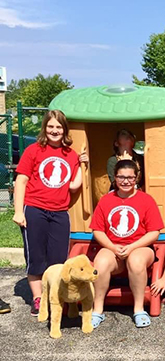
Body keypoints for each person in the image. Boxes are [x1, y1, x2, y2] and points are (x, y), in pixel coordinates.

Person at [12, 110, 88, 317]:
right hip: (35, 209)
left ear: (64, 130)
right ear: (45, 128)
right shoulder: (34, 150)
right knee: (36, 257)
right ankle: (38, 299)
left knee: (57, 260)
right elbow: (21, 180)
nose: (54, 131)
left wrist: (82, 164)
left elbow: (74, 185)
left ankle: (54, 297)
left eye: (59, 127)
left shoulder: (70, 155)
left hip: (60, 213)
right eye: (51, 126)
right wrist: (19, 212)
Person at [89, 160, 164, 328]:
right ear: (114, 178)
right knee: (100, 262)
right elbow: (97, 230)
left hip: (140, 247)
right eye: (121, 177)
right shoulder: (106, 200)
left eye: (130, 177)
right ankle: (97, 310)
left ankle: (138, 309)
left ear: (136, 178)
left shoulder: (146, 200)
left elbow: (154, 232)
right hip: (112, 247)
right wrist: (112, 247)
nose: (126, 181)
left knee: (136, 261)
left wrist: (132, 247)